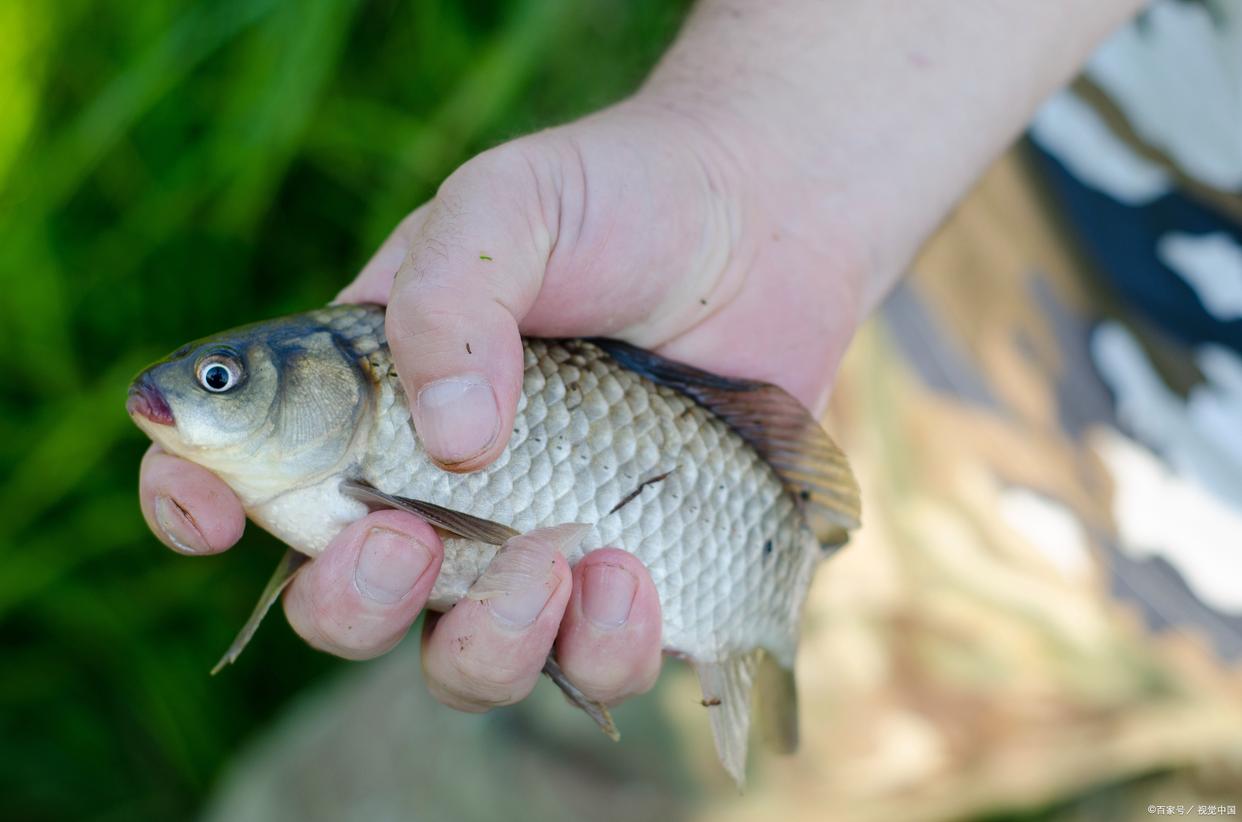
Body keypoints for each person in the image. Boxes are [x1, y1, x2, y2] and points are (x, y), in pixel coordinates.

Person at [136, 0, 1146, 716]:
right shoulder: (362, 405)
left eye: (225, 379)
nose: (193, 392)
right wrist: (745, 174)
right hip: (980, 307)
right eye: (221, 377)